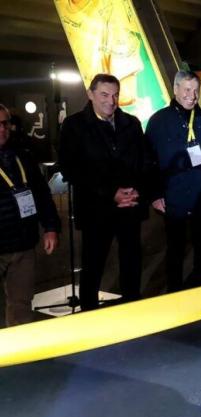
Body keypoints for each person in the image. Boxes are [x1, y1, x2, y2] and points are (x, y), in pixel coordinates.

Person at [59, 73, 153, 310]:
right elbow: (71, 169)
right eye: (104, 94)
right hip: (96, 210)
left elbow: (144, 161)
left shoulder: (132, 124)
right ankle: (89, 312)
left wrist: (135, 192)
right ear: (90, 94)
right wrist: (111, 192)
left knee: (131, 261)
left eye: (115, 95)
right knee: (93, 264)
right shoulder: (74, 126)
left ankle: (132, 306)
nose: (110, 101)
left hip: (129, 207)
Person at [146, 70, 201, 292]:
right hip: (172, 197)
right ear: (175, 90)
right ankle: (175, 293)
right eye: (187, 89)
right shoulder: (158, 121)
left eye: (195, 90)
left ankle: (200, 289)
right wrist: (155, 195)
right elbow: (148, 162)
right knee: (175, 249)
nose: (192, 95)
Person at [0, 105, 60, 327]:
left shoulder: (22, 156)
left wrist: (51, 227)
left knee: (21, 305)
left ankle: (20, 357)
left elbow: (42, 195)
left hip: (23, 244)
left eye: (5, 123)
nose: (2, 129)